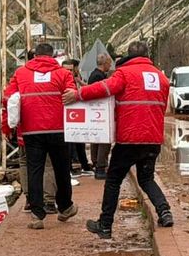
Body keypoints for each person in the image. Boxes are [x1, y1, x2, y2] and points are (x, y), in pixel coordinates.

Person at [62, 41, 173, 239]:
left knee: (113, 180)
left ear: (129, 56)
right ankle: (164, 212)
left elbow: (103, 89)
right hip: (153, 139)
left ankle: (105, 225)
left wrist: (77, 95)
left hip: (129, 139)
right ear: (147, 55)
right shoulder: (161, 77)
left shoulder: (124, 74)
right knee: (146, 178)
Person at [2, 43, 78, 229]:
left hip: (31, 130)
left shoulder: (21, 73)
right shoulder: (64, 74)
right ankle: (66, 207)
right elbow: (73, 94)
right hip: (59, 129)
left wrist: (7, 127)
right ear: (53, 55)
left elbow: (8, 99)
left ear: (35, 55)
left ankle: (37, 215)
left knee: (34, 170)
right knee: (61, 169)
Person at [87, 53, 113, 180]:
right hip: (100, 112)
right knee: (103, 140)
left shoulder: (95, 75)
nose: (110, 65)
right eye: (109, 63)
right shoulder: (98, 76)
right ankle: (100, 166)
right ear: (104, 63)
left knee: (96, 139)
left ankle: (98, 163)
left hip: (96, 112)